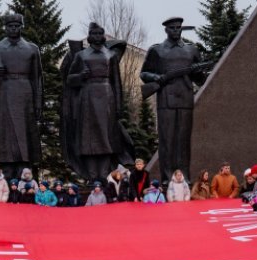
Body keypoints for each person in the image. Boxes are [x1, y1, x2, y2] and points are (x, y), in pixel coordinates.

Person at [140, 16, 208, 183]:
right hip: (166, 100)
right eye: (173, 28)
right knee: (167, 140)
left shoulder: (191, 50)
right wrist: (159, 77)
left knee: (183, 141)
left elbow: (200, 79)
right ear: (166, 30)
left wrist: (198, 73)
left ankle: (184, 175)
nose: (176, 30)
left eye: (179, 27)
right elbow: (144, 74)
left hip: (185, 99)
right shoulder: (157, 50)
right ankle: (167, 176)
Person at [64, 22, 133, 182]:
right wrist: (81, 76)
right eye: (93, 34)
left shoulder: (110, 55)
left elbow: (116, 82)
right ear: (89, 36)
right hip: (87, 97)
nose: (96, 37)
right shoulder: (81, 56)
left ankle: (103, 173)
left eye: (99, 34)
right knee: (88, 138)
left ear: (103, 36)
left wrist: (118, 105)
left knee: (106, 136)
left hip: (106, 96)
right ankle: (92, 174)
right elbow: (70, 79)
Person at [0, 12, 43, 181]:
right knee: (5, 134)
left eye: (17, 26)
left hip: (25, 94)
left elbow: (37, 78)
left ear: (21, 27)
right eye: (10, 26)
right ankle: (6, 168)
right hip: (4, 93)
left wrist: (38, 103)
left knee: (24, 133)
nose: (13, 29)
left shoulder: (32, 49)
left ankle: (24, 168)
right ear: (5, 28)